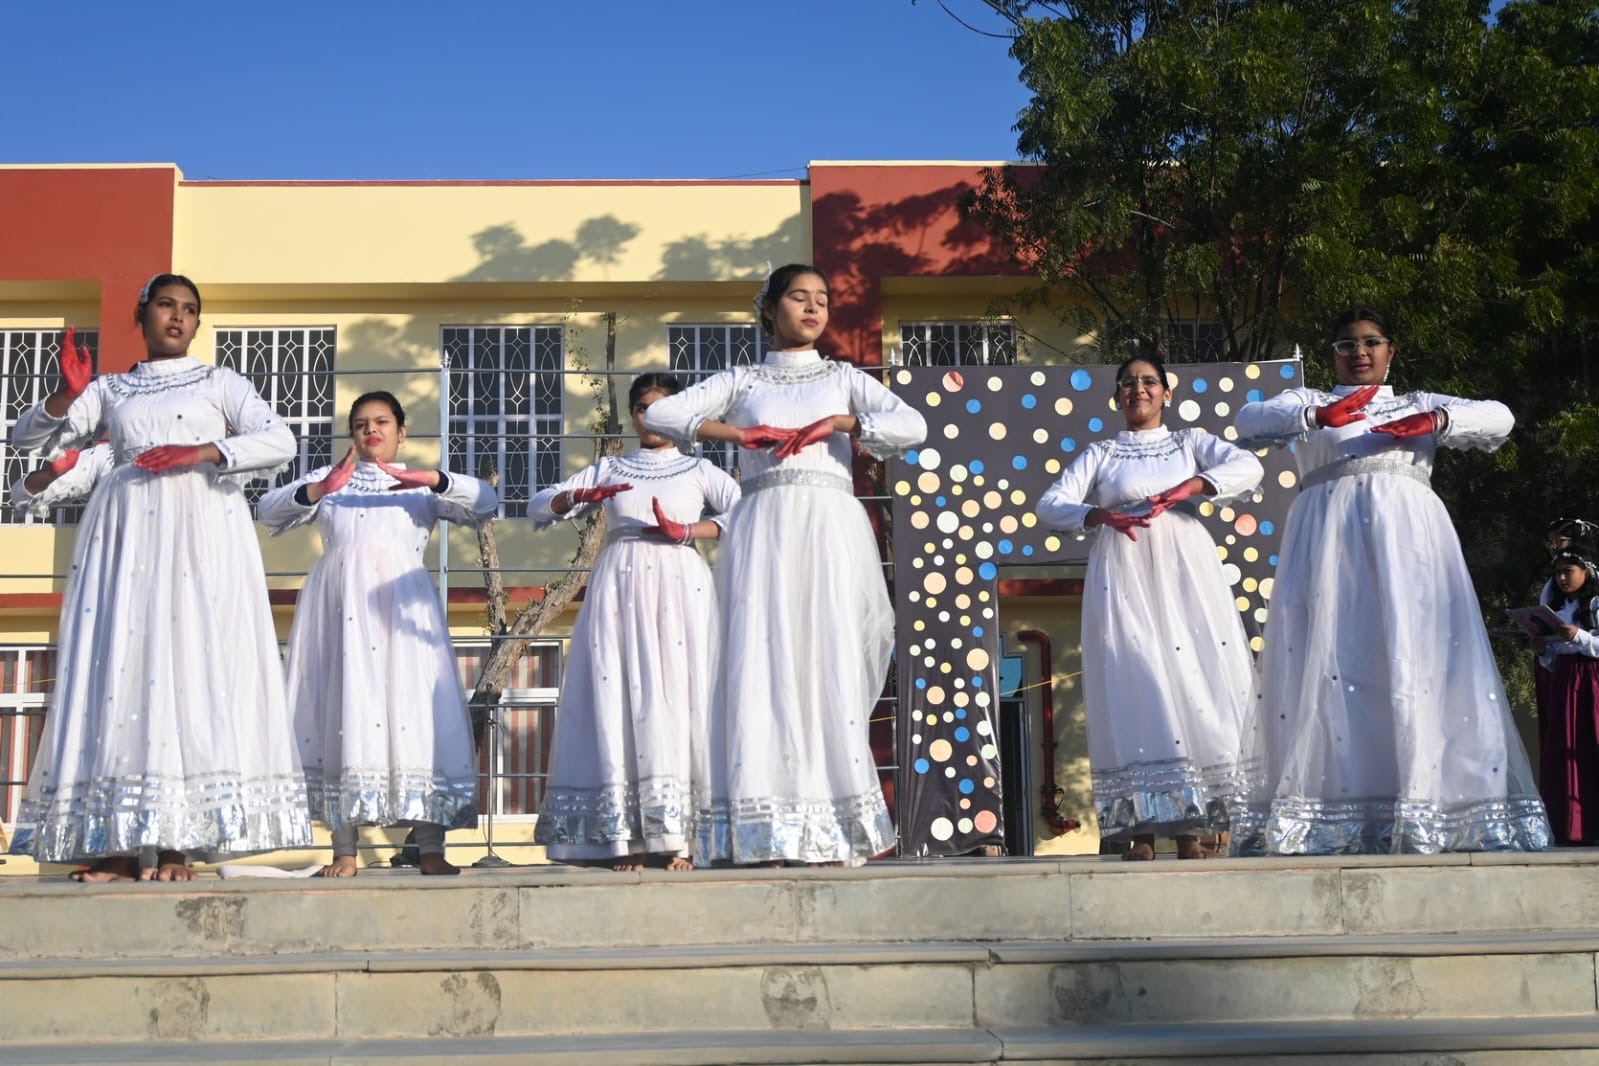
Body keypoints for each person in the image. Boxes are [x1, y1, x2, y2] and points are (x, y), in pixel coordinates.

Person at [6, 277, 309, 881]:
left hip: (200, 528)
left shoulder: (220, 382)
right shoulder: (110, 389)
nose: (178, 317)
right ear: (142, 313)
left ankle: (178, 846)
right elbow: (24, 439)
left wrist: (201, 453)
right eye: (167, 305)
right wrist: (66, 396)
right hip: (126, 534)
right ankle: (119, 846)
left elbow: (280, 440)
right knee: (122, 668)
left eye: (190, 310)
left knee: (188, 662)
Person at [1231, 306, 1550, 854]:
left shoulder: (1416, 402)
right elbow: (1247, 420)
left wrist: (1438, 422)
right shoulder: (1308, 402)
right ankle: (1336, 810)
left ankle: (1428, 805)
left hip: (1410, 550)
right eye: (1347, 344)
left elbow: (1500, 417)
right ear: (1332, 353)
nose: (1359, 352)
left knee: (1414, 659)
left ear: (1390, 350)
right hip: (1329, 552)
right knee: (1335, 664)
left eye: (1371, 342)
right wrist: (1317, 417)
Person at [644, 264, 928, 866]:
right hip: (765, 527)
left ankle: (832, 829)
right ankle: (766, 832)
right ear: (771, 308)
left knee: (829, 658)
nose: (813, 308)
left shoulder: (844, 377)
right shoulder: (742, 380)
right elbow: (662, 416)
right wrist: (737, 436)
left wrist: (843, 423)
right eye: (799, 297)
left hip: (829, 526)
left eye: (822, 299)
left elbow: (913, 425)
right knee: (763, 661)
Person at [257, 391, 497, 876]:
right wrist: (321, 488)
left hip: (402, 615)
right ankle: (344, 851)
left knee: (416, 717)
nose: (372, 430)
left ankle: (430, 848)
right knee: (340, 711)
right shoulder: (331, 482)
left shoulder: (420, 487)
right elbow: (268, 510)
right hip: (339, 611)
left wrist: (433, 478)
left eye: (382, 421)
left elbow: (486, 503)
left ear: (401, 431)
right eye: (362, 423)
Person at [1035, 355, 1263, 860]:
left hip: (1184, 568)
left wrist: (1193, 485)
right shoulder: (1102, 452)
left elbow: (1248, 466)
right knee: (1139, 682)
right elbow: (1050, 504)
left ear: (1167, 392)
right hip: (1124, 568)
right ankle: (1141, 830)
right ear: (1116, 396)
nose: (1138, 389)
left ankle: (1190, 832)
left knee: (1189, 677)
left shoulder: (1190, 442)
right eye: (1128, 383)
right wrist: (1098, 515)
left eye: (1148, 381)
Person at [529, 373, 740, 871]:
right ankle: (628, 839)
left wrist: (688, 530)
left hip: (680, 585)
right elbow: (539, 506)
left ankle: (683, 841)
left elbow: (746, 511)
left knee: (682, 696)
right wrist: (575, 498)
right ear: (632, 414)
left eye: (662, 407)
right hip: (620, 586)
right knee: (619, 697)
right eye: (642, 407)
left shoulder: (700, 469)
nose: (650, 417)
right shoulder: (609, 468)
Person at [1531, 551, 1599, 845]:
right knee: (1563, 749)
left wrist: (1579, 637)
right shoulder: (1557, 608)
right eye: (1558, 572)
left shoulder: (1595, 604)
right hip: (1565, 682)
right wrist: (1543, 650)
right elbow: (1553, 658)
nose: (1562, 578)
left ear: (1586, 571)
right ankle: (1569, 826)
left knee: (1591, 745)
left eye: (1568, 571)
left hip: (1592, 680)